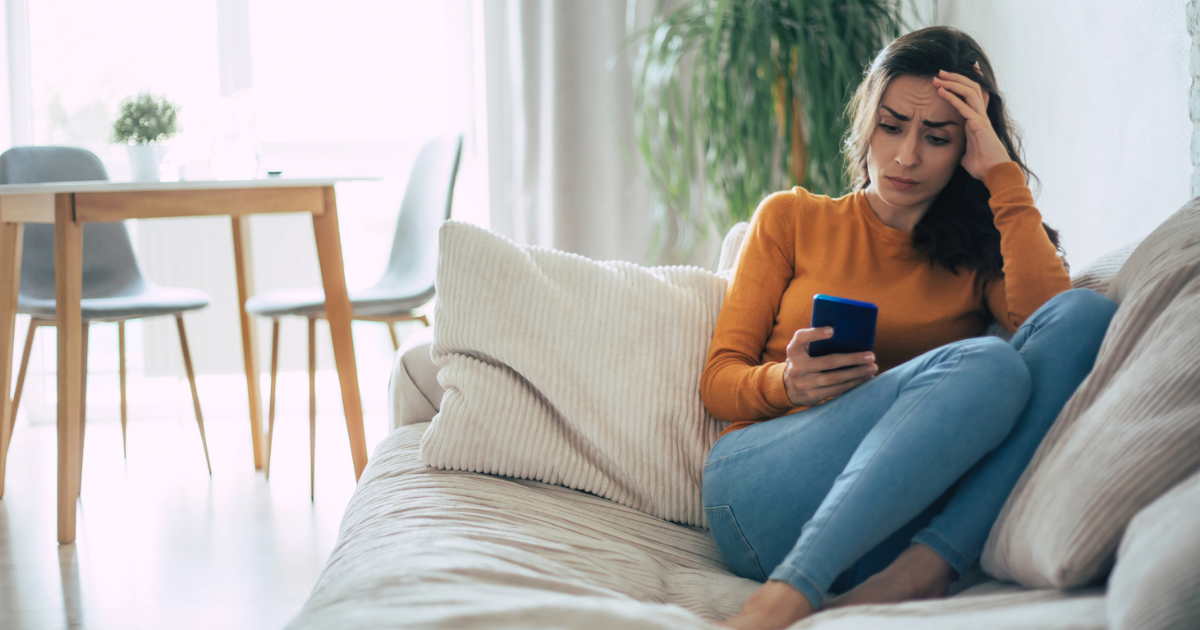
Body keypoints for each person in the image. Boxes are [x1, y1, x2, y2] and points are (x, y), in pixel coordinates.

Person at [699, 26, 1118, 630]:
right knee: (986, 361)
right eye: (892, 126)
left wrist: (1002, 176)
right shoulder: (791, 219)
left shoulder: (978, 255)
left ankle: (926, 567)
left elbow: (1054, 324)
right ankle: (788, 593)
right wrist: (786, 384)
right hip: (761, 494)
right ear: (868, 121)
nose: (906, 156)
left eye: (938, 137)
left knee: (1088, 316)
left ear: (967, 145)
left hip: (889, 531)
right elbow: (718, 380)